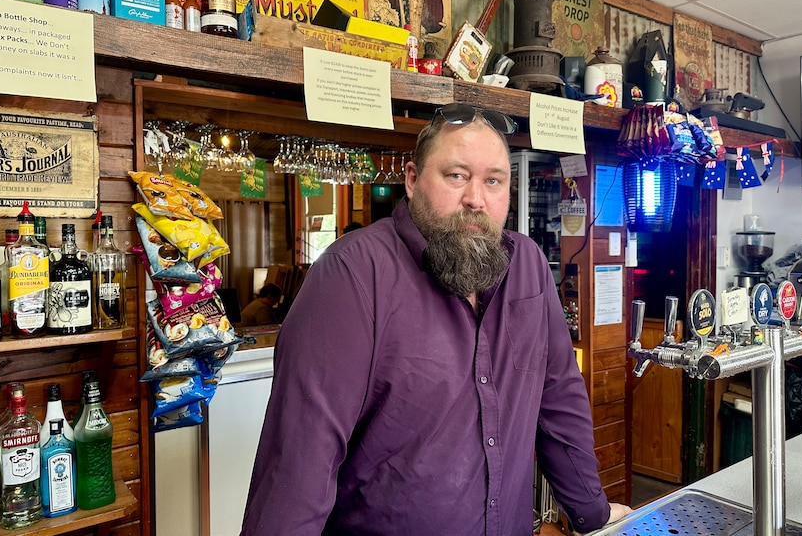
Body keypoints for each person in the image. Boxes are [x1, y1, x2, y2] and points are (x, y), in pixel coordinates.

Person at [240, 103, 634, 535]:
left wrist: (591, 514)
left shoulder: (529, 267)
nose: (475, 199)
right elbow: (300, 463)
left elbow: (558, 398)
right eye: (457, 176)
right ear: (412, 180)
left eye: (493, 181)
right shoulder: (353, 274)